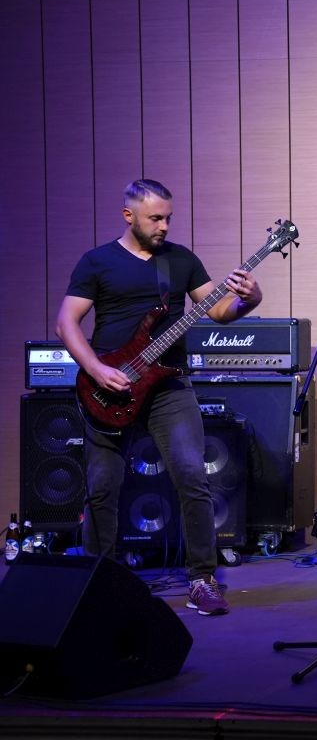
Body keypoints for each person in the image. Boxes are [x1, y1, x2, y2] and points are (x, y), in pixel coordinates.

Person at [56, 179, 263, 616]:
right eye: (155, 218)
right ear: (128, 215)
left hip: (168, 385)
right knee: (102, 487)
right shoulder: (97, 262)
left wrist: (250, 299)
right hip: (108, 387)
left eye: (168, 217)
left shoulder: (180, 260)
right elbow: (66, 323)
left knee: (192, 475)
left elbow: (219, 311)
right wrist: (96, 369)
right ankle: (101, 581)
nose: (164, 226)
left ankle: (202, 580)